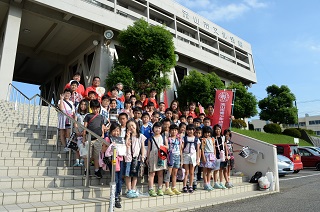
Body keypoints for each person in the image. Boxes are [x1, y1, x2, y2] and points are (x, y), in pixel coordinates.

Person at [82, 99, 105, 178]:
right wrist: (84, 137)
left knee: (96, 156)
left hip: (98, 139)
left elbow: (102, 127)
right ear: (91, 108)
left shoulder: (101, 117)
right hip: (89, 138)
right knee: (87, 155)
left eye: (97, 108)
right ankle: (86, 169)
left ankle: (96, 170)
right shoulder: (88, 116)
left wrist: (102, 136)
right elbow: (85, 127)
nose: (95, 110)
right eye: (94, 108)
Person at [124, 120, 146, 198]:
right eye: (129, 126)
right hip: (128, 158)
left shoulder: (141, 136)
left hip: (137, 158)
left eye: (133, 125)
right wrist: (127, 137)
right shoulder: (127, 136)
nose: (131, 127)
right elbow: (126, 145)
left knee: (135, 175)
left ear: (136, 126)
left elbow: (142, 147)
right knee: (128, 175)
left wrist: (143, 156)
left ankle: (133, 189)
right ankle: (129, 189)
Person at [104, 123, 124, 208]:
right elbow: (103, 150)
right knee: (115, 178)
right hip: (112, 160)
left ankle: (118, 194)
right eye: (114, 131)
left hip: (120, 159)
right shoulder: (108, 138)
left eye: (118, 131)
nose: (116, 133)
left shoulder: (120, 139)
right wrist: (111, 146)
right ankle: (114, 197)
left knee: (120, 178)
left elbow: (123, 149)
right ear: (111, 131)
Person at [147, 122, 168, 197]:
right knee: (152, 173)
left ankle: (160, 188)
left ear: (161, 129)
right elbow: (149, 149)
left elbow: (167, 147)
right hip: (153, 156)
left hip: (161, 156)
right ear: (153, 129)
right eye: (156, 127)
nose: (157, 129)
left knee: (160, 174)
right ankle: (151, 189)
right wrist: (147, 158)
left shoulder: (163, 137)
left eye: (159, 128)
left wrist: (162, 147)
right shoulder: (150, 138)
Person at [164, 124, 183, 195]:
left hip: (177, 156)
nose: (174, 131)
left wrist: (182, 159)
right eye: (172, 130)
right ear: (170, 131)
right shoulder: (167, 139)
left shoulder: (179, 139)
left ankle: (173, 187)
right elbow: (166, 148)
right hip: (170, 156)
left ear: (177, 131)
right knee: (168, 172)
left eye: (175, 130)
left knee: (175, 173)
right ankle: (167, 188)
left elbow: (181, 149)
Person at [182, 124, 200, 193]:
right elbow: (182, 148)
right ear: (186, 131)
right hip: (186, 155)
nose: (190, 131)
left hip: (193, 156)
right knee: (186, 172)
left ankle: (190, 186)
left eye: (191, 130)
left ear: (194, 131)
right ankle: (184, 185)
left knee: (192, 172)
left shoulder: (196, 139)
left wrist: (198, 158)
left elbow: (198, 149)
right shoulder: (184, 138)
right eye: (188, 130)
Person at [73, 99, 89, 167]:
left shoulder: (88, 114)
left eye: (85, 105)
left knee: (84, 147)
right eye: (81, 104)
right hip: (78, 133)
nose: (83, 106)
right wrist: (77, 131)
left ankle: (82, 160)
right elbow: (75, 123)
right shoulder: (77, 114)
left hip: (85, 133)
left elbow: (88, 124)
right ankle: (77, 161)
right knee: (77, 147)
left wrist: (84, 132)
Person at [212, 124, 229, 189]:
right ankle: (215, 182)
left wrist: (227, 155)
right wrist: (214, 156)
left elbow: (225, 146)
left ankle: (221, 182)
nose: (217, 130)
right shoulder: (213, 138)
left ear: (221, 130)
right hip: (216, 155)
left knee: (221, 169)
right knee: (216, 169)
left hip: (223, 154)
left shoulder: (223, 137)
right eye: (216, 129)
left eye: (218, 129)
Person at [200, 126, 216, 191]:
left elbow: (214, 148)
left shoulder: (212, 139)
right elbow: (202, 149)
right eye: (206, 133)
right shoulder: (203, 140)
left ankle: (209, 183)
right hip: (206, 154)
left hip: (211, 155)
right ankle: (205, 183)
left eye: (209, 133)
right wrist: (203, 157)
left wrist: (214, 155)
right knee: (205, 170)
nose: (207, 134)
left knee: (209, 171)